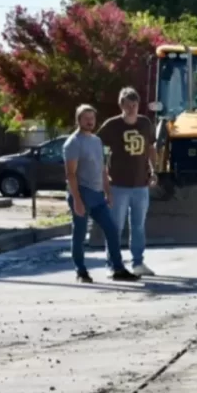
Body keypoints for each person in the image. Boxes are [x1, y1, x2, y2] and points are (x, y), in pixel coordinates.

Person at [63, 104, 139, 284]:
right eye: (86, 118)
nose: (90, 121)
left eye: (92, 118)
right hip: (81, 193)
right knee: (80, 234)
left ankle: (118, 269)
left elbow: (103, 169)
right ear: (78, 120)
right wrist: (77, 201)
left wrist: (108, 192)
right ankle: (81, 272)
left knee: (112, 230)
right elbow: (70, 174)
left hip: (98, 195)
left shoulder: (96, 141)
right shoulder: (73, 143)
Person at [97, 87, 159, 277]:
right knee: (115, 226)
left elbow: (150, 148)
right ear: (121, 105)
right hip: (118, 185)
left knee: (138, 225)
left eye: (135, 105)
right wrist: (103, 174)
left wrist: (154, 170)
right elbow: (97, 147)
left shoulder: (145, 123)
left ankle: (138, 262)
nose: (132, 109)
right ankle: (113, 263)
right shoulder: (112, 125)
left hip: (140, 185)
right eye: (128, 105)